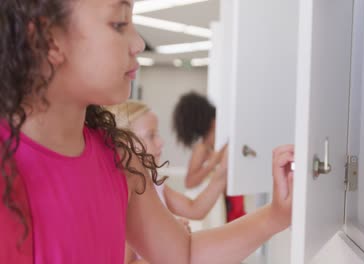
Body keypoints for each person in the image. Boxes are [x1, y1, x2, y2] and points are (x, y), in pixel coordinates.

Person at [0, 1, 295, 263]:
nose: (138, 43)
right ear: (49, 39)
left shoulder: (119, 161)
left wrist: (275, 217)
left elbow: (184, 253)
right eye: (119, 23)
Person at [173, 91, 245, 222]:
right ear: (209, 123)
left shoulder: (216, 147)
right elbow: (189, 182)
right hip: (209, 207)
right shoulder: (201, 149)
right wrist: (213, 162)